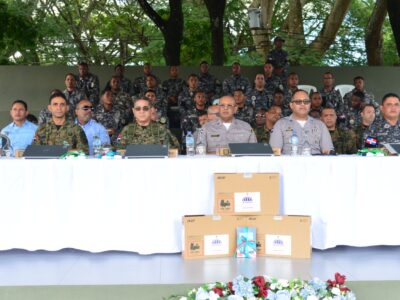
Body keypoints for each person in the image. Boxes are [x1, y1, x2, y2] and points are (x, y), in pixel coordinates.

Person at [270, 90, 334, 155]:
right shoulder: (280, 124)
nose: (302, 104)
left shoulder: (320, 125)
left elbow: (328, 150)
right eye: (298, 102)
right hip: (289, 163)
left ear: (310, 105)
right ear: (291, 105)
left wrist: (329, 152)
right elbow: (275, 151)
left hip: (315, 163)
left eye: (306, 102)